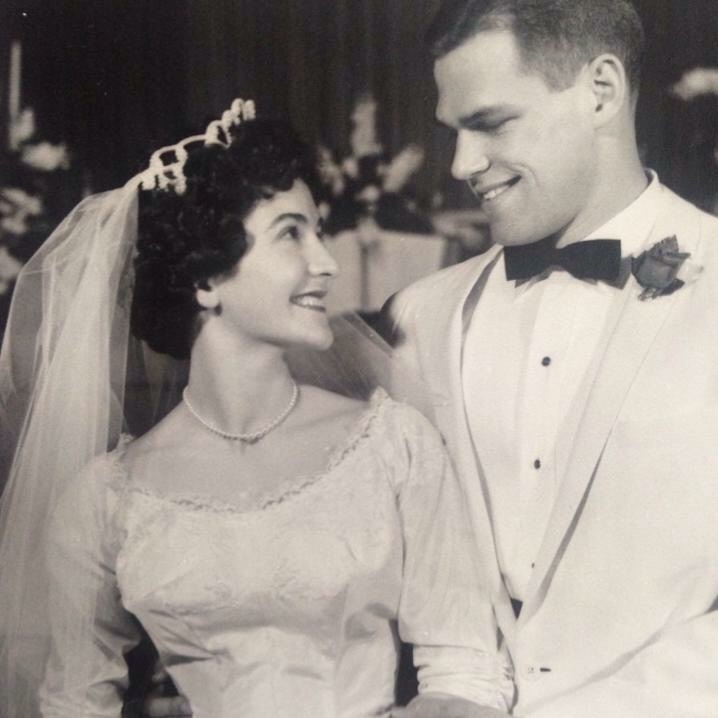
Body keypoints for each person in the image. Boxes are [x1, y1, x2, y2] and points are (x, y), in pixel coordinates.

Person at [0, 101, 512, 717]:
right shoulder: (106, 499)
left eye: (319, 232)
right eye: (292, 232)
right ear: (206, 279)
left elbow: (466, 672)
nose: (326, 262)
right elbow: (74, 701)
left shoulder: (393, 446)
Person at [384, 1, 718, 716]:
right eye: (454, 132)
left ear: (601, 90)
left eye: (491, 123)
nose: (462, 165)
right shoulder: (423, 316)